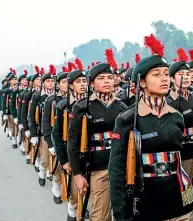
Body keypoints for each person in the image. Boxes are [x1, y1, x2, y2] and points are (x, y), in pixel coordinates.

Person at [109, 34, 193, 221]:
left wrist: (190, 199)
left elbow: (180, 163)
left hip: (181, 204)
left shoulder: (176, 116)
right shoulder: (128, 119)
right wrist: (122, 214)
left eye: (166, 74)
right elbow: (117, 172)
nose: (164, 79)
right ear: (141, 82)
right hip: (148, 207)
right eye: (156, 75)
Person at [68, 57, 127, 221]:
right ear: (92, 83)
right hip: (97, 169)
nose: (107, 81)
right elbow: (73, 144)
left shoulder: (122, 107)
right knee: (100, 216)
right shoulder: (82, 107)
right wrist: (78, 175)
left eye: (109, 77)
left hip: (122, 168)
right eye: (101, 78)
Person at [166, 48, 193, 221]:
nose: (187, 76)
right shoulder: (169, 101)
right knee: (186, 196)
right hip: (182, 156)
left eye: (188, 73)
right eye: (181, 73)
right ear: (171, 78)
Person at [52, 68, 87, 221]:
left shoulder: (91, 103)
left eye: (85, 81)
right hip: (70, 153)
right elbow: (57, 134)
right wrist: (64, 160)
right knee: (74, 194)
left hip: (87, 153)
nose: (83, 84)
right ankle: (72, 214)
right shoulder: (62, 106)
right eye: (78, 82)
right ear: (71, 86)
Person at [41, 67, 68, 204]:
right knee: (58, 169)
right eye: (63, 82)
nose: (66, 84)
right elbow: (46, 123)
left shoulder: (77, 100)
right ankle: (56, 188)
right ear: (59, 84)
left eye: (68, 81)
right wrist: (50, 143)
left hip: (72, 140)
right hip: (56, 139)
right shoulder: (51, 100)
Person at [29, 69, 56, 186]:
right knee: (44, 157)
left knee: (55, 158)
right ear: (43, 83)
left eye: (52, 81)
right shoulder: (37, 96)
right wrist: (33, 134)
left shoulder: (57, 95)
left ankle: (53, 178)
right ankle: (42, 172)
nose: (51, 83)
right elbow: (31, 115)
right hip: (43, 131)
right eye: (48, 81)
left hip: (56, 131)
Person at [21, 69, 41, 165]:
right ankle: (34, 159)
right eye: (37, 79)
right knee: (32, 143)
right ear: (33, 82)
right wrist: (26, 127)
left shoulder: (45, 95)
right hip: (31, 122)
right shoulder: (28, 95)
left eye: (41, 79)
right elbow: (24, 112)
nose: (39, 81)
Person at [1, 71, 19, 147]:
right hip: (10, 111)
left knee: (18, 126)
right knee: (12, 125)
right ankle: (14, 139)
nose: (14, 80)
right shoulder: (6, 91)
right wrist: (4, 113)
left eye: (15, 79)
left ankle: (19, 139)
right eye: (12, 79)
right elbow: (4, 102)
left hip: (18, 110)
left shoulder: (19, 89)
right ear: (9, 81)